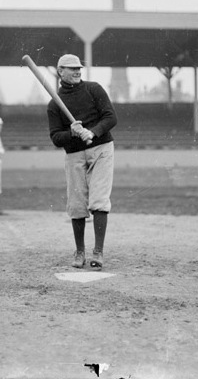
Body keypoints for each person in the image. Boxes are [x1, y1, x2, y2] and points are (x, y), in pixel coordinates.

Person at [47, 54, 117, 271]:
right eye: (71, 68)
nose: (77, 71)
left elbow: (111, 117)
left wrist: (92, 132)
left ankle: (98, 252)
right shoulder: (54, 104)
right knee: (77, 204)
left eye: (78, 68)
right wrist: (72, 132)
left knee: (99, 200)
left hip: (101, 149)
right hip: (74, 155)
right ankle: (79, 251)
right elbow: (56, 138)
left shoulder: (93, 89)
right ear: (60, 71)